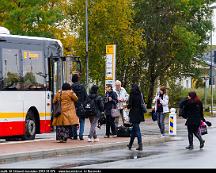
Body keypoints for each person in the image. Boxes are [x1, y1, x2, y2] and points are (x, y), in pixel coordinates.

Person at [126, 84, 144, 151]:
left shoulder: (132, 94)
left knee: (137, 130)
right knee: (134, 130)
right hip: (139, 113)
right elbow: (141, 103)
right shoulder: (140, 94)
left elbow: (130, 105)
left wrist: (126, 106)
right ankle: (130, 145)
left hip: (134, 113)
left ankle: (140, 145)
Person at [71, 74, 87, 140]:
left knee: (74, 121)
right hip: (81, 106)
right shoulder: (82, 87)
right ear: (78, 79)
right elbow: (86, 96)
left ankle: (74, 135)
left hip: (74, 106)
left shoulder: (71, 87)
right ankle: (81, 135)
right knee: (82, 121)